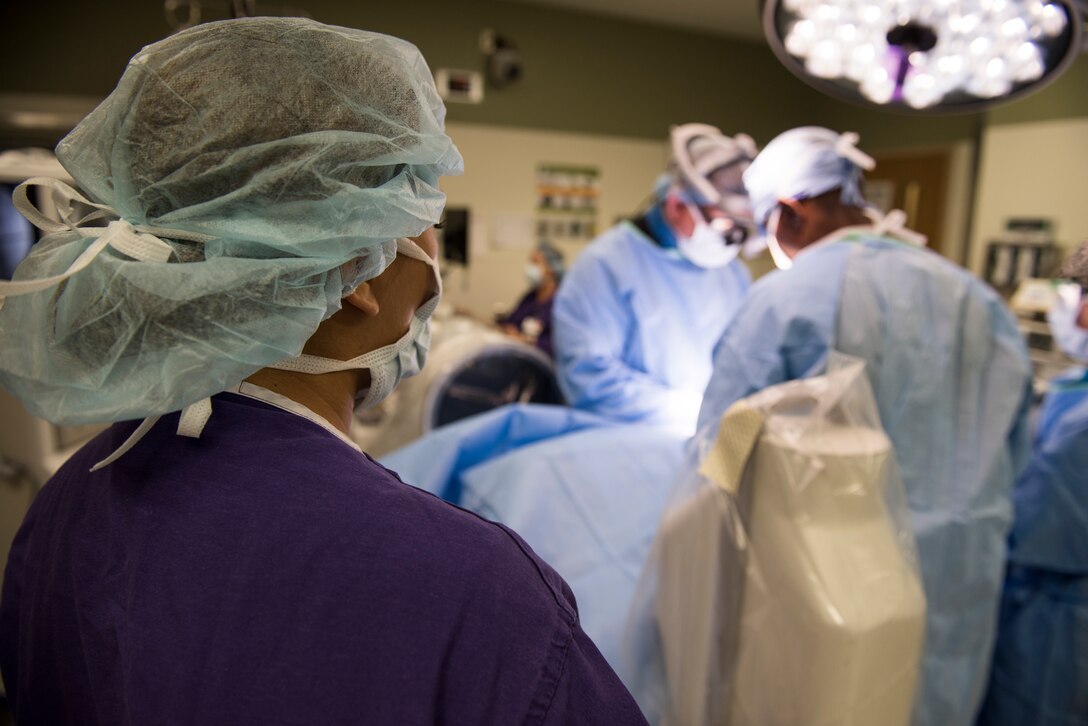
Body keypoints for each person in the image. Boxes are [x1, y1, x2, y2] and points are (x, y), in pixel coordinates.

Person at [0, 19, 646, 725]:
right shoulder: (474, 592)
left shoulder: (66, 504)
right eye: (422, 203)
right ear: (352, 274)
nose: (436, 248)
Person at [693, 127, 1032, 726]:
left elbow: (718, 463)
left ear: (791, 214)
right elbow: (1016, 462)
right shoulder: (981, 304)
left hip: (825, 596)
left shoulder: (785, 303)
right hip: (959, 595)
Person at [552, 124, 755, 433]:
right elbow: (590, 381)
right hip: (627, 447)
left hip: (710, 445)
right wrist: (692, 410)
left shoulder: (732, 273)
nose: (730, 240)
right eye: (722, 224)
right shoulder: (604, 267)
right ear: (676, 205)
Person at [977, 256, 1088, 726]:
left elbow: (1033, 523)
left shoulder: (1080, 427)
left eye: (1074, 297)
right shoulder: (1071, 392)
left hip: (1058, 623)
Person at [496, 240, 565, 357]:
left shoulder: (562, 302)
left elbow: (562, 344)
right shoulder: (530, 297)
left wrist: (527, 341)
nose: (530, 268)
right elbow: (510, 323)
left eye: (535, 262)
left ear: (552, 269)